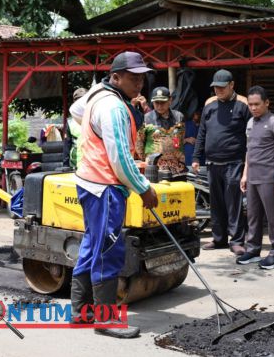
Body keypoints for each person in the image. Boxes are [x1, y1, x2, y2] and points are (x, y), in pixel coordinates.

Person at [69, 51, 158, 339]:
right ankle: (105, 320)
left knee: (92, 245)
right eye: (133, 78)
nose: (139, 84)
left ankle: (81, 311)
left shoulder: (96, 96)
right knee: (108, 250)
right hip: (105, 186)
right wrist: (144, 188)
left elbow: (75, 111)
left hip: (88, 181)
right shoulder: (115, 108)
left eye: (142, 78)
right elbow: (120, 158)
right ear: (116, 77)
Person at [192, 69, 250, 256]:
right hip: (212, 163)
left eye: (221, 87)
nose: (218, 90)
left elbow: (251, 135)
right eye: (215, 87)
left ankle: (237, 240)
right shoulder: (209, 104)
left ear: (232, 85)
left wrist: (249, 163)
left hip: (234, 162)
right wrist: (195, 157)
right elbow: (202, 133)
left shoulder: (243, 104)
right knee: (216, 203)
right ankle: (219, 239)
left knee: (233, 203)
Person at [238, 86, 274, 269]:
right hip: (252, 177)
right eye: (250, 105)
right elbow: (249, 151)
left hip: (269, 177)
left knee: (273, 217)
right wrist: (244, 175)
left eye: (257, 104)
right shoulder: (250, 123)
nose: (253, 108)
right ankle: (252, 250)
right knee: (252, 216)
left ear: (267, 103)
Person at [135, 87, 188, 180]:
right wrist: (148, 160)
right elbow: (139, 143)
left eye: (162, 102)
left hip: (178, 169)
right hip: (155, 169)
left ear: (170, 100)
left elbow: (181, 138)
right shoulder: (146, 119)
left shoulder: (179, 117)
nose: (159, 106)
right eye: (156, 103)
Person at [63, 88, 87, 169]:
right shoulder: (70, 122)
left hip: (92, 165)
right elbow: (67, 145)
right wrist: (65, 165)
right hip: (76, 165)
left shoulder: (96, 117)